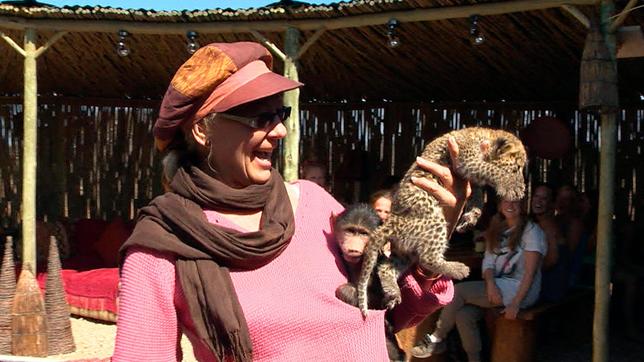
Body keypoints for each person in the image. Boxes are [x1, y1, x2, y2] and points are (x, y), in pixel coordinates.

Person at [112, 42, 472, 362]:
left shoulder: (314, 204)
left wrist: (428, 250)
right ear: (203, 129)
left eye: (279, 114)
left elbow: (389, 313)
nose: (280, 130)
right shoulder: (161, 245)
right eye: (260, 117)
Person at [411, 196, 546, 362]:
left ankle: (437, 338)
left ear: (523, 205)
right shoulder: (498, 230)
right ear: (500, 205)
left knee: (458, 292)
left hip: (521, 291)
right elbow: (488, 264)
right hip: (498, 287)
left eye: (515, 202)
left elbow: (530, 273)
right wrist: (490, 285)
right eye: (506, 201)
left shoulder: (532, 232)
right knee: (463, 314)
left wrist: (516, 303)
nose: (510, 205)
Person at [531, 183, 569, 302]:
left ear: (552, 204)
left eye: (544, 198)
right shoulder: (541, 224)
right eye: (536, 196)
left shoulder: (549, 227)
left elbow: (552, 259)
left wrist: (526, 272)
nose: (538, 201)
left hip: (549, 289)